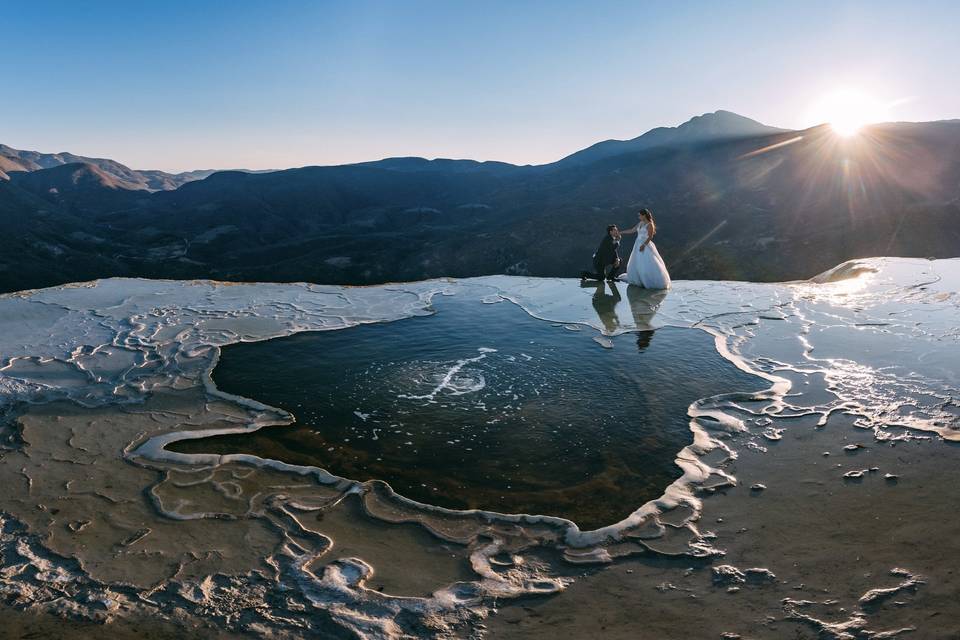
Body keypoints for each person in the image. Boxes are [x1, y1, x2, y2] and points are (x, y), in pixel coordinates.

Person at [620, 209, 671, 289]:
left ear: (644, 215)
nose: (639, 217)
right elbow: (632, 230)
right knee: (637, 262)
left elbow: (650, 236)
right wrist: (621, 232)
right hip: (637, 244)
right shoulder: (640, 223)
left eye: (639, 215)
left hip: (645, 245)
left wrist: (644, 245)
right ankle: (639, 280)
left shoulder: (649, 224)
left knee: (646, 262)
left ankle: (648, 280)